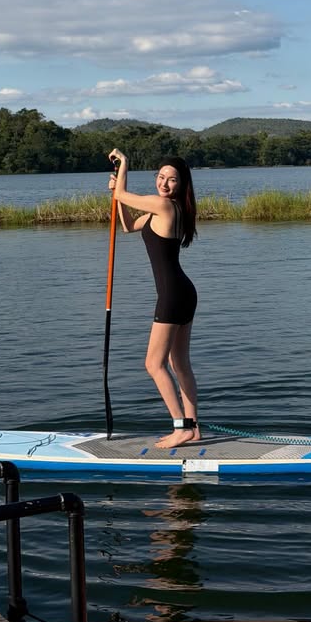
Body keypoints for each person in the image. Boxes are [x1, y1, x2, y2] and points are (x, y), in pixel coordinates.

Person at [108, 148, 199, 449]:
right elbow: (127, 225)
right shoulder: (166, 209)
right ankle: (193, 427)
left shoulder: (164, 206)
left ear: (181, 185)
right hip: (183, 292)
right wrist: (117, 197)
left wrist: (124, 166)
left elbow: (122, 192)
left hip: (173, 295)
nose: (164, 184)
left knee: (153, 364)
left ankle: (180, 427)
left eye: (172, 180)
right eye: (161, 177)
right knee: (179, 364)